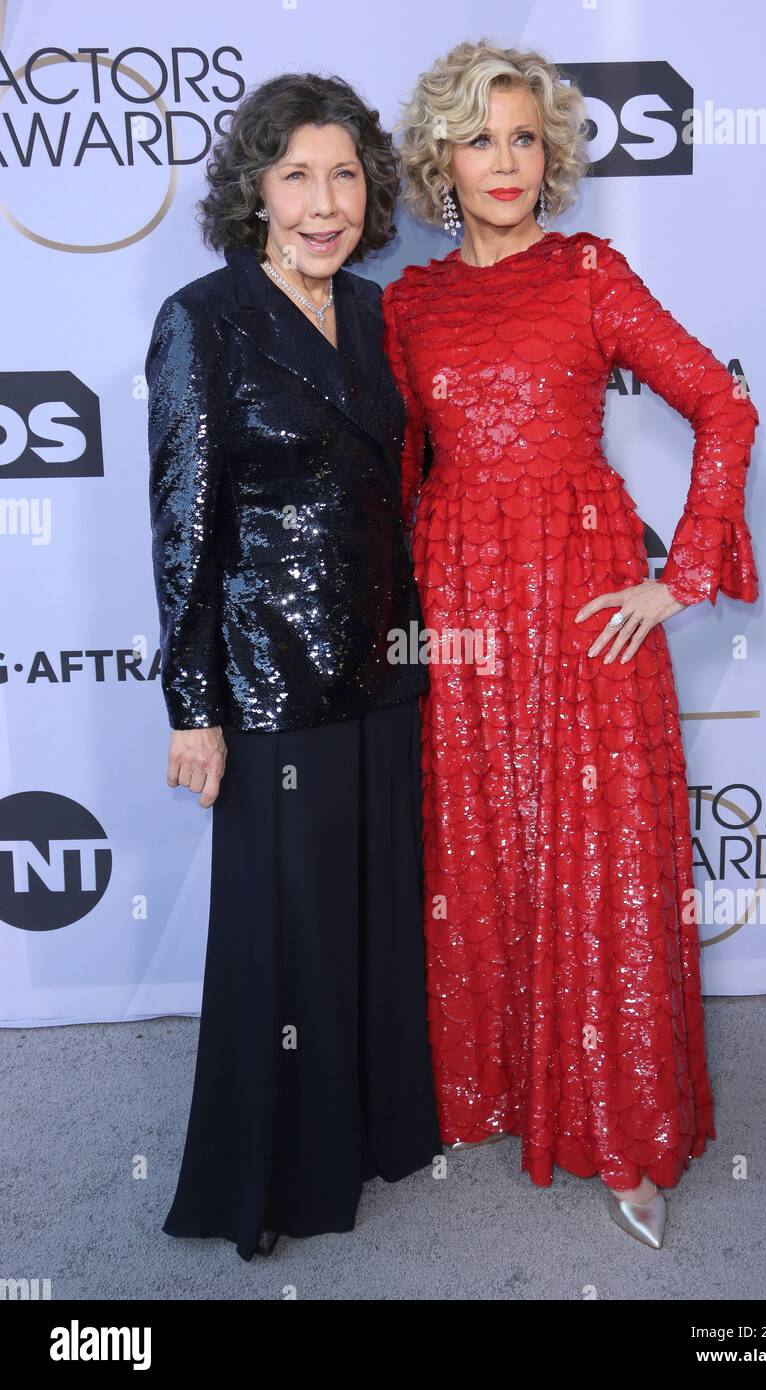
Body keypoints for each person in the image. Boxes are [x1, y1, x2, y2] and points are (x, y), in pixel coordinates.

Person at [381, 39, 760, 1249]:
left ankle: (618, 1128)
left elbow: (721, 401)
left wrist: (681, 572)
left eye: (525, 137)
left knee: (596, 851)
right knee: (477, 839)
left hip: (583, 595)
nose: (505, 160)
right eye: (480, 137)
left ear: (552, 156)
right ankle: (486, 1090)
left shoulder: (590, 272)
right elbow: (395, 474)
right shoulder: (407, 302)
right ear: (440, 158)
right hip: (458, 600)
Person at [146, 72, 441, 1262]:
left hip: (383, 673)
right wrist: (195, 707)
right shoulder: (202, 317)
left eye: (344, 175)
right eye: (295, 176)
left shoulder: (380, 315)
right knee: (284, 937)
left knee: (372, 922)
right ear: (255, 191)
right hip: (268, 684)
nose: (324, 203)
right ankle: (270, 1177)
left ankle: (372, 1130)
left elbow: (410, 492)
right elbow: (183, 526)